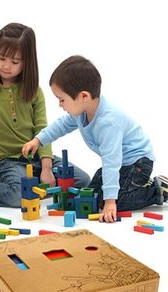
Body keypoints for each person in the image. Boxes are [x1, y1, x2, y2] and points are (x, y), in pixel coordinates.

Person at [0, 24, 90, 208]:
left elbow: (43, 131)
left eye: (15, 61)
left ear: (27, 62)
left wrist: (46, 168)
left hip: (38, 158)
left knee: (83, 181)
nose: (6, 66)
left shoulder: (35, 91)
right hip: (7, 162)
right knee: (18, 196)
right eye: (1, 58)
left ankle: (32, 187)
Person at [22, 55, 167, 222]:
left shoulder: (108, 123)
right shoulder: (81, 112)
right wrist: (38, 140)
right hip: (122, 164)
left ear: (84, 96)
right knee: (90, 195)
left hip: (137, 163)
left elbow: (111, 161)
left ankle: (158, 191)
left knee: (108, 201)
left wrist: (111, 202)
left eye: (62, 100)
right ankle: (134, 187)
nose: (60, 105)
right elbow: (61, 126)